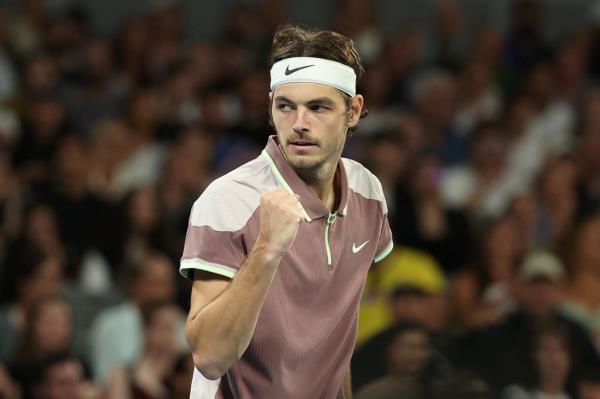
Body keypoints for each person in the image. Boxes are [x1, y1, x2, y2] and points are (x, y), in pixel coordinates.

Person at [180, 25, 393, 398]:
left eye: (318, 107)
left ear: (353, 111)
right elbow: (210, 356)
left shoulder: (368, 193)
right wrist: (267, 250)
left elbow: (337, 331)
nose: (299, 124)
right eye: (286, 106)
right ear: (270, 108)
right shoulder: (229, 199)